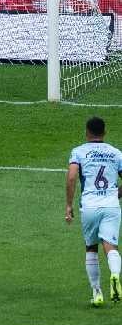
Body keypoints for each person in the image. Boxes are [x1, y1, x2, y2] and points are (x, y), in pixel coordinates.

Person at [66, 117, 122, 307]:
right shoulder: (116, 153)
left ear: (86, 132)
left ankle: (97, 292)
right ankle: (115, 275)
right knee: (111, 246)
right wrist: (116, 193)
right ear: (104, 132)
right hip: (111, 205)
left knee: (91, 247)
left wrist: (68, 205)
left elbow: (72, 176)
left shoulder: (79, 152)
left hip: (89, 205)